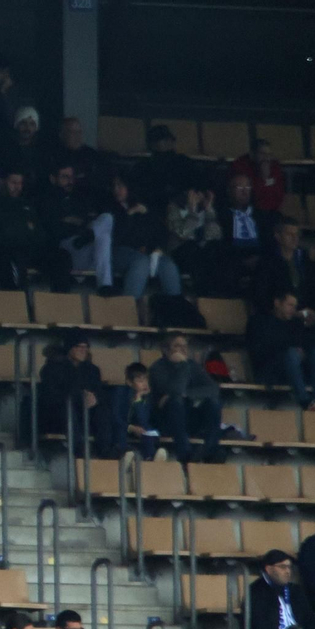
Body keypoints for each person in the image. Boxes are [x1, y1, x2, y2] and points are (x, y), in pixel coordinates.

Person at [0, 170, 71, 293]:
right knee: (10, 258)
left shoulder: (27, 205)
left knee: (61, 256)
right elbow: (0, 233)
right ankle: (16, 302)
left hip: (31, 250)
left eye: (20, 183)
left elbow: (39, 233)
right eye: (13, 182)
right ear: (2, 182)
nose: (17, 187)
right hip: (7, 252)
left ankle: (60, 300)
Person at [103, 175, 183, 301]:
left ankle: (175, 310)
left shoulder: (144, 207)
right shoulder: (110, 207)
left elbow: (159, 233)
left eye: (120, 185)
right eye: (114, 186)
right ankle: (129, 310)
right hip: (118, 252)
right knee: (141, 262)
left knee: (168, 265)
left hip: (145, 252)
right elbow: (117, 237)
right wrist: (129, 214)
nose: (116, 189)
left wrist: (157, 248)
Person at [148, 333, 224, 463]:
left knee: (213, 403)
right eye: (177, 346)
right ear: (166, 350)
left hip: (189, 418)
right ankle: (184, 453)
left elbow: (213, 389)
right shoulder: (157, 368)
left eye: (185, 346)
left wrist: (187, 394)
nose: (182, 349)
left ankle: (210, 450)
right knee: (176, 402)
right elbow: (176, 390)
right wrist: (182, 366)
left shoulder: (192, 365)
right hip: (167, 420)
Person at [248, 292, 315, 410]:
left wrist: (310, 325)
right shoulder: (260, 321)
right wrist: (291, 349)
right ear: (277, 303)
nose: (293, 310)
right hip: (271, 368)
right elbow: (262, 348)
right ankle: (304, 400)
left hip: (297, 369)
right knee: (292, 354)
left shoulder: (296, 322)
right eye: (290, 305)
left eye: (295, 306)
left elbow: (308, 343)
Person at [38, 163, 111, 289]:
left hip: (83, 244)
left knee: (106, 223)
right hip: (65, 251)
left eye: (71, 177)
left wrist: (74, 222)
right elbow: (55, 229)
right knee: (101, 234)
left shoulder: (80, 197)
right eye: (64, 177)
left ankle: (105, 286)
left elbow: (88, 219)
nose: (70, 181)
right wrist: (80, 224)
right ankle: (89, 235)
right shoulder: (46, 200)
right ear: (53, 178)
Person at [36, 330, 102, 453]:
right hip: (57, 416)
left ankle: (107, 450)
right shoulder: (52, 368)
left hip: (85, 414)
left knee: (103, 411)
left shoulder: (92, 370)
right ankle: (79, 449)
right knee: (68, 407)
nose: (83, 350)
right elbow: (51, 396)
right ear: (69, 348)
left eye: (85, 347)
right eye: (78, 346)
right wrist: (78, 396)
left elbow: (99, 392)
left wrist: (94, 398)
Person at [214, 173, 278, 300]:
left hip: (259, 256)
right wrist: (241, 260)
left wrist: (260, 257)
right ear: (229, 191)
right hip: (233, 256)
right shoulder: (222, 215)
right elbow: (220, 243)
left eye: (247, 188)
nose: (244, 192)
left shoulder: (260, 216)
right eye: (239, 188)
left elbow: (268, 241)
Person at [100, 362, 162, 461]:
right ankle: (123, 454)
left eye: (146, 379)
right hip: (120, 427)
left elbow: (143, 420)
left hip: (135, 427)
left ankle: (151, 456)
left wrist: (138, 400)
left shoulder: (146, 397)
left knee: (149, 429)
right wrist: (131, 428)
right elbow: (115, 417)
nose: (144, 384)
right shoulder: (119, 393)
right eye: (140, 380)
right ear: (129, 382)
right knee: (120, 429)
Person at [132, 124, 201, 213]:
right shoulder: (142, 167)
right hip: (151, 210)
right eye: (161, 140)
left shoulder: (185, 163)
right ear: (152, 144)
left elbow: (195, 188)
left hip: (181, 211)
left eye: (167, 140)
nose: (165, 143)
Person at [253, 219, 314, 316]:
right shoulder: (267, 262)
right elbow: (261, 294)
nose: (294, 238)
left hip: (302, 313)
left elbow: (312, 287)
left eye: (296, 234)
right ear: (278, 236)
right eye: (289, 234)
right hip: (277, 315)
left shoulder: (304, 260)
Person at [165, 185, 220, 293]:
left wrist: (209, 210)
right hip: (180, 252)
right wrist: (192, 212)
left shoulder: (205, 210)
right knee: (192, 247)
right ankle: (202, 292)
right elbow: (183, 234)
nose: (198, 197)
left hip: (202, 253)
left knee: (215, 249)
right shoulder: (173, 208)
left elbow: (216, 235)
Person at [51, 117, 105, 203]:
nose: (77, 136)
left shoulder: (91, 154)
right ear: (62, 134)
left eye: (79, 132)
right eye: (72, 132)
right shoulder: (54, 156)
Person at [228, 139, 285, 213]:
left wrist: (266, 179)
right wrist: (264, 179)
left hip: (271, 211)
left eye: (269, 154)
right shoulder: (240, 165)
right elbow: (248, 195)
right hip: (246, 211)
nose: (266, 158)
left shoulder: (274, 166)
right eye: (262, 154)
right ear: (252, 154)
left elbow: (278, 194)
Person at [0, 107, 46, 195]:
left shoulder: (42, 152)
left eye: (32, 124)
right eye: (23, 123)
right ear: (17, 125)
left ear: (36, 128)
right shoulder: (5, 149)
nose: (27, 128)